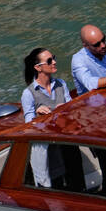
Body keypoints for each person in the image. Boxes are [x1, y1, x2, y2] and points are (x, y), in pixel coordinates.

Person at [20, 47, 73, 188]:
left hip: (68, 142)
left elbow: (73, 111)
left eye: (53, 58)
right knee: (57, 185)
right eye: (49, 61)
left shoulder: (61, 84)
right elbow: (29, 127)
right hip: (50, 150)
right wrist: (38, 115)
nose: (54, 62)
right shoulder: (28, 93)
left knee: (75, 181)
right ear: (38, 67)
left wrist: (66, 109)